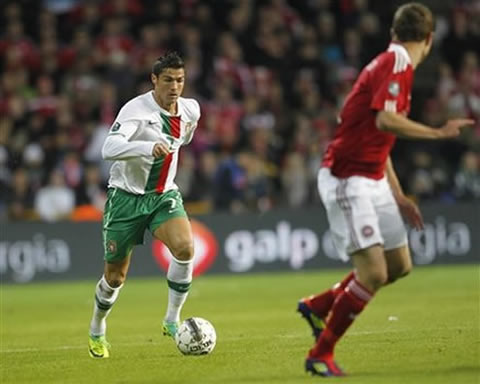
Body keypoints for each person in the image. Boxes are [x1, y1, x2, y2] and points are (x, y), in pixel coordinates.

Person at [296, 3, 474, 377]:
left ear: (395, 32)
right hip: (348, 178)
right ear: (429, 39)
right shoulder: (396, 65)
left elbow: (378, 135)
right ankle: (320, 353)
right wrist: (438, 132)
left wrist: (396, 194)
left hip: (373, 177)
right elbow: (386, 119)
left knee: (398, 265)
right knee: (374, 273)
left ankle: (319, 304)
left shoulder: (392, 65)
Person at [88, 52, 201, 359]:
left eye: (179, 80)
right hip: (125, 198)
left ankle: (171, 320)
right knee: (115, 278)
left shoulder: (191, 110)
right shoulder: (135, 110)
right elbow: (108, 148)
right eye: (168, 80)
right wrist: (146, 147)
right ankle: (97, 328)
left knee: (185, 249)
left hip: (163, 195)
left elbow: (183, 141)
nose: (174, 87)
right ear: (154, 80)